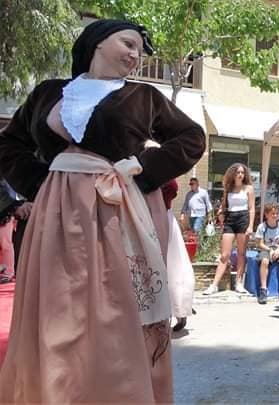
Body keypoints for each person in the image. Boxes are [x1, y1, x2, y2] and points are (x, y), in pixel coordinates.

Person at [0, 19, 205, 402]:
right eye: (127, 43)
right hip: (57, 214)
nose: (134, 55)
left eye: (139, 52)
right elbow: (9, 144)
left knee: (116, 307)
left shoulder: (143, 97)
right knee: (60, 309)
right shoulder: (48, 93)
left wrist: (143, 169)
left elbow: (192, 138)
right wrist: (40, 184)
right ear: (96, 42)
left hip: (118, 210)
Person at [203, 163, 255, 295]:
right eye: (238, 172)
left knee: (241, 253)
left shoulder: (248, 188)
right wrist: (220, 211)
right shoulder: (228, 188)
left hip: (243, 217)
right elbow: (224, 205)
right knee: (224, 255)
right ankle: (214, 285)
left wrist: (250, 226)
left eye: (242, 172)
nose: (240, 175)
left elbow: (251, 208)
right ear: (233, 174)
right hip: (230, 219)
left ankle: (239, 283)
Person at [161, 179, 196, 333]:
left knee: (173, 266)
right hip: (144, 217)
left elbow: (172, 187)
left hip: (162, 218)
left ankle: (180, 310)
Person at [255, 202, 279, 305]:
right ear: (266, 215)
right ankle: (263, 289)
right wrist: (270, 250)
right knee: (265, 261)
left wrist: (277, 250)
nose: (275, 215)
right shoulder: (262, 227)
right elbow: (260, 244)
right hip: (266, 248)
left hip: (277, 248)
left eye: (276, 213)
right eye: (272, 213)